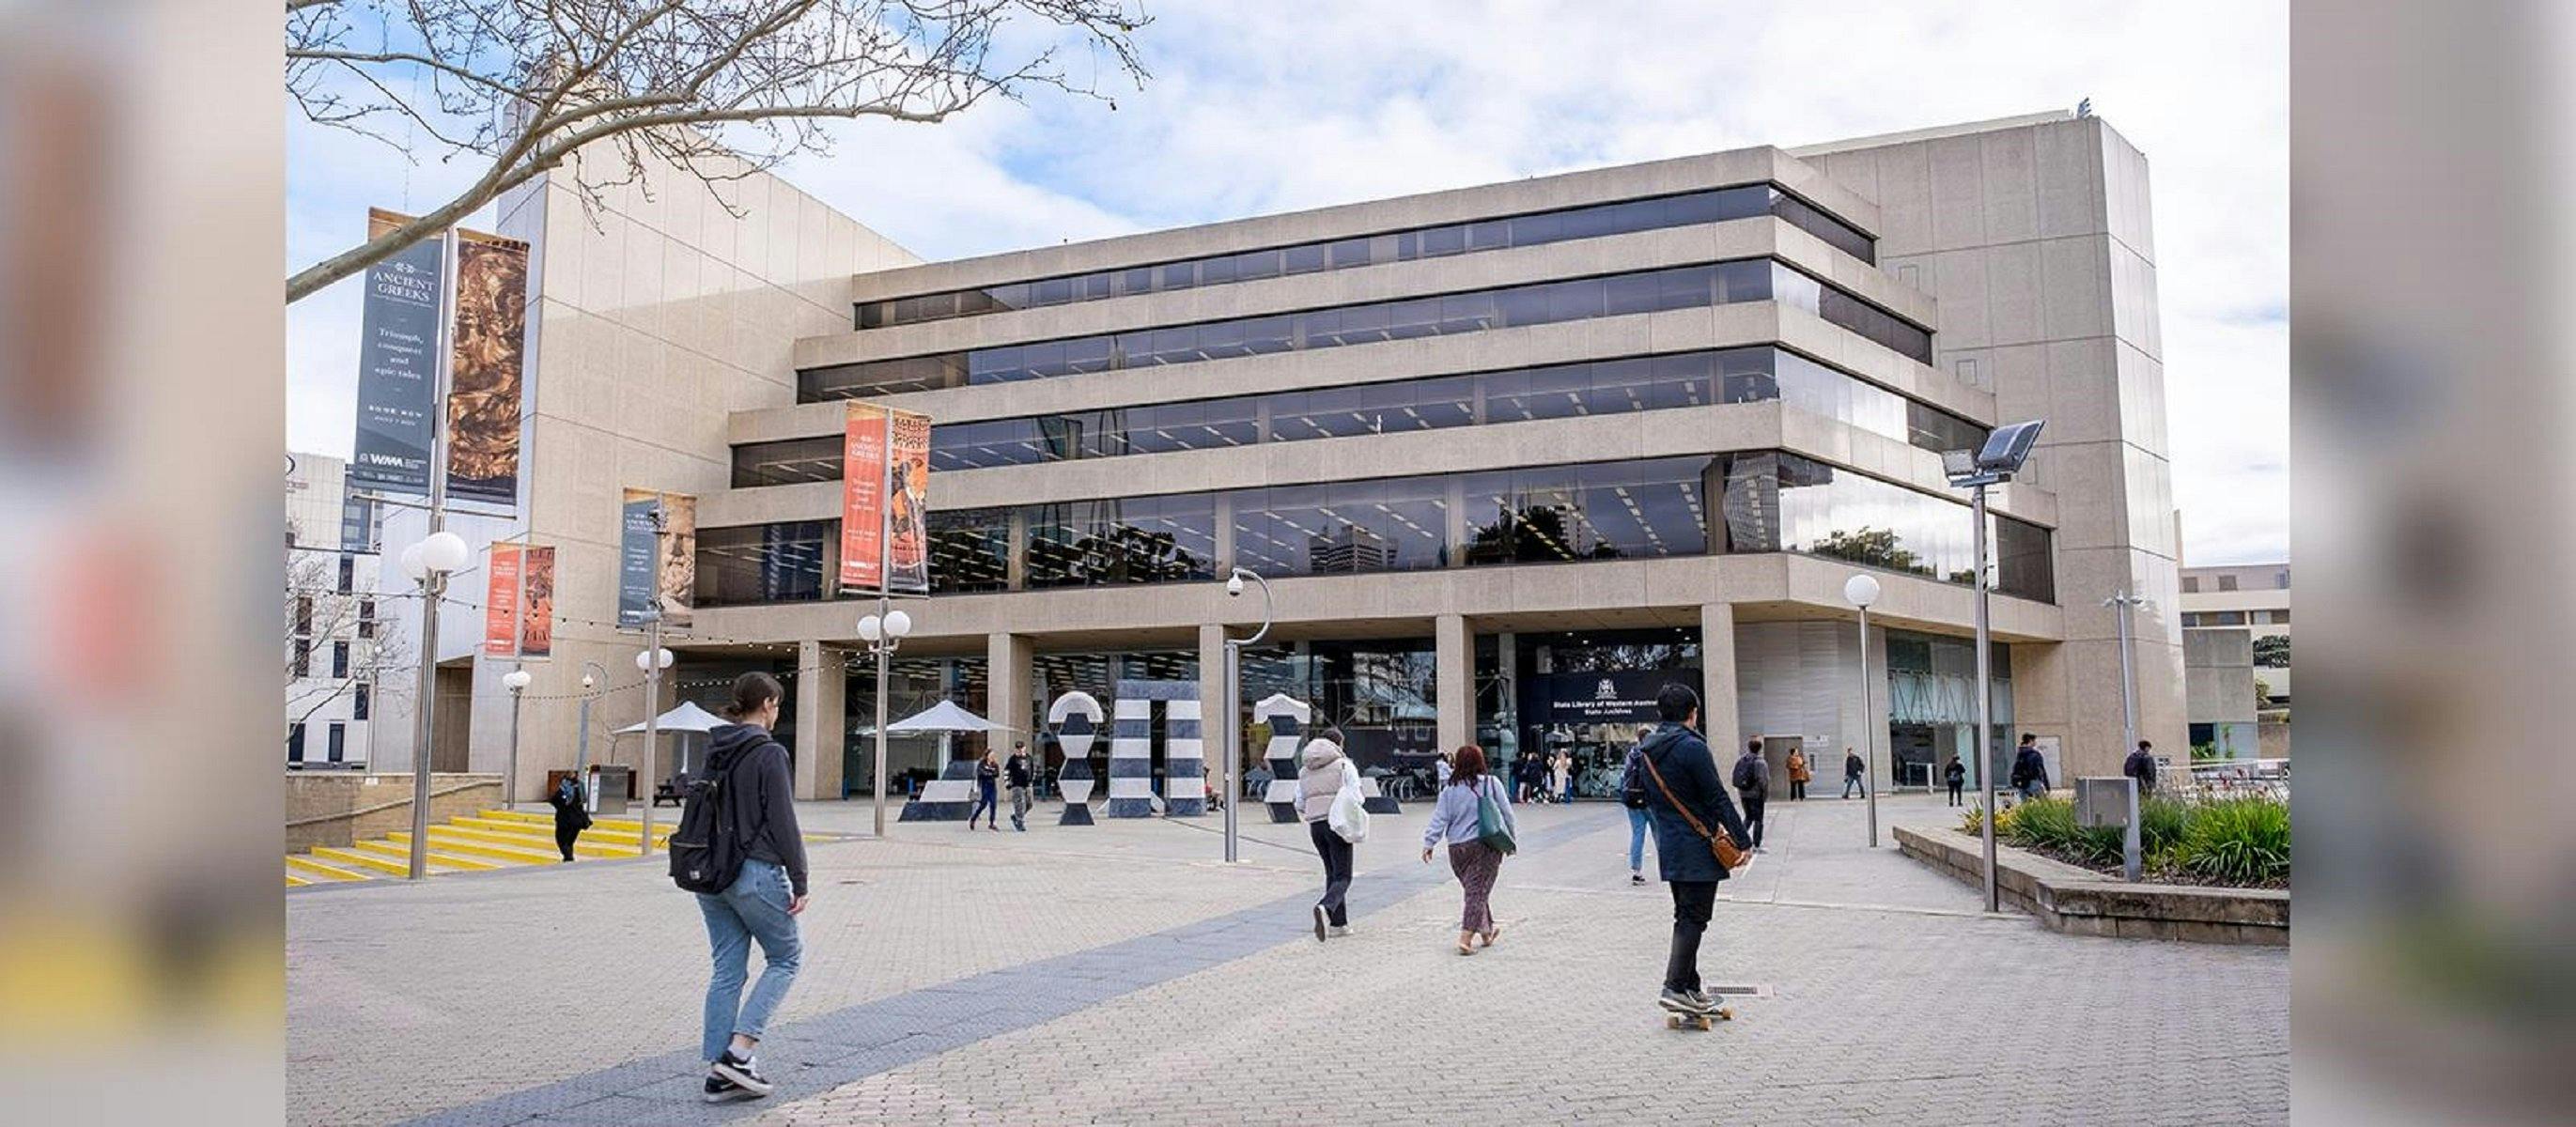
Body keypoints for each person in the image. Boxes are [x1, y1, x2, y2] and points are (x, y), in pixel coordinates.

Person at [694, 672, 809, 1104]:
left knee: (727, 969)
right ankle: (740, 1053)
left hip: (710, 876)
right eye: (777, 704)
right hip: (754, 872)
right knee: (786, 957)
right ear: (766, 704)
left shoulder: (716, 748)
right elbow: (783, 821)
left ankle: (718, 1072)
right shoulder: (768, 753)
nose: (777, 712)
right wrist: (799, 879)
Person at [1635, 684, 1752, 1019]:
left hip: (1669, 845)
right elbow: (1716, 796)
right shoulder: (1691, 748)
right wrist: (1743, 840)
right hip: (1698, 846)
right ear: (1693, 713)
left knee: (1686, 914)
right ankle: (1674, 986)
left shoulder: (1647, 751)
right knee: (1694, 918)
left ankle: (1690, 989)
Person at [1420, 745, 1514, 955]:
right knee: (1477, 893)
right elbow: (1507, 814)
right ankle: (1465, 938)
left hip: (1456, 849)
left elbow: (1439, 819)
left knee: (1475, 891)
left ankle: (1487, 932)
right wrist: (1511, 841)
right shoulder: (1491, 783)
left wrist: (1429, 843)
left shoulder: (1449, 790)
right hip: (1484, 846)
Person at [1293, 731, 1363, 941]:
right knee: (1343, 875)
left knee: (1332, 873)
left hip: (1316, 826)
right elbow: (1356, 796)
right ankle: (1326, 906)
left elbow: (1299, 802)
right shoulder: (1344, 765)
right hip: (1337, 824)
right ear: (1339, 744)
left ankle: (1338, 924)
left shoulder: (1305, 770)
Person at [1620, 741, 1653, 885]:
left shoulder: (1631, 755)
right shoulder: (1651, 753)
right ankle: (1669, 867)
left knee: (1637, 834)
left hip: (1632, 799)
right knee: (1659, 834)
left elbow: (1624, 776)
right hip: (1650, 800)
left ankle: (1637, 871)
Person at [1731, 739, 1769, 852]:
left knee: (1748, 817)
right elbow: (1764, 781)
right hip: (1756, 794)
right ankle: (1756, 845)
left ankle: (1738, 840)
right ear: (1760, 749)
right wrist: (1765, 794)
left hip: (1743, 793)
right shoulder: (1760, 762)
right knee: (1758, 819)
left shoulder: (1742, 760)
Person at [546, 770, 591, 861]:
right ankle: (568, 859)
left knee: (561, 841)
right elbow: (584, 799)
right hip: (578, 819)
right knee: (570, 842)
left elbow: (553, 800)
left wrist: (560, 806)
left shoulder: (563, 788)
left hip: (565, 819)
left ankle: (569, 858)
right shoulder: (580, 786)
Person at [967, 749, 1001, 831]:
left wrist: (989, 773)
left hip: (992, 786)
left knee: (993, 804)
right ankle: (973, 818)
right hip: (985, 786)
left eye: (993, 755)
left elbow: (996, 774)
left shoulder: (995, 765)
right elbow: (981, 773)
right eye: (991, 755)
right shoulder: (982, 764)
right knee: (983, 804)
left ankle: (992, 823)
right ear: (987, 755)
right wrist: (990, 773)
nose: (992, 757)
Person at [2010, 733, 2050, 799]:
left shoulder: (2019, 754)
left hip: (2021, 783)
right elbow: (2041, 770)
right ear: (2030, 741)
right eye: (2034, 741)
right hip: (2033, 782)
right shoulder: (2035, 755)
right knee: (2043, 804)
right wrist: (2047, 785)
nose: (2035, 743)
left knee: (2025, 805)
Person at [1005, 742, 1033, 831]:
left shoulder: (1029, 758)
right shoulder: (1013, 759)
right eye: (1018, 748)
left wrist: (1032, 779)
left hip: (1027, 784)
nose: (1020, 750)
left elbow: (1032, 769)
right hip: (1017, 784)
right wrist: (1007, 782)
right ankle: (1020, 822)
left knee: (1029, 804)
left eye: (1021, 748)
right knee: (1020, 804)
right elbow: (1007, 771)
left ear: (1024, 748)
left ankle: (1016, 816)